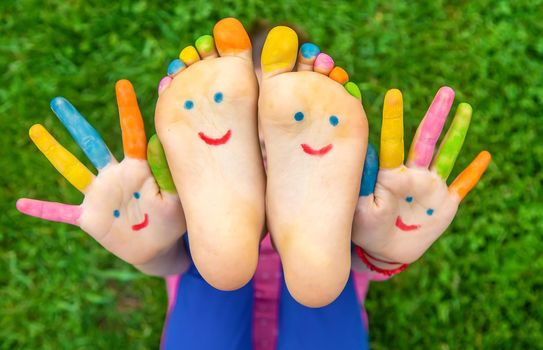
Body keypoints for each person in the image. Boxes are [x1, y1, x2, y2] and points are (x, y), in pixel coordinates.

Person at [16, 18, 491, 349]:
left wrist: (383, 247)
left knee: (303, 275)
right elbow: (173, 260)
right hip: (259, 281)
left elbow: (177, 266)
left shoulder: (341, 196)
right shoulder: (187, 201)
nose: (264, 136)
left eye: (285, 122)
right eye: (249, 120)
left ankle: (295, 257)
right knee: (222, 265)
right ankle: (266, 254)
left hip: (271, 286)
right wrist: (150, 246)